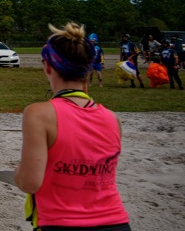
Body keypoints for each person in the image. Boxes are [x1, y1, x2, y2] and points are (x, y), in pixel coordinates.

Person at [14, 22, 131, 231]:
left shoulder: (38, 114)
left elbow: (30, 183)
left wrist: (18, 173)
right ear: (87, 70)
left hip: (62, 223)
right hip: (116, 223)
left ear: (48, 67)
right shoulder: (113, 119)